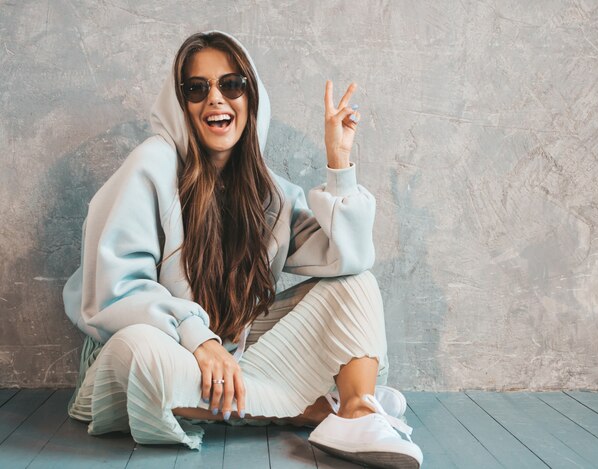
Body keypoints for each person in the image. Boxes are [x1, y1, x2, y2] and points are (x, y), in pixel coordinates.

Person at [62, 30, 423, 468]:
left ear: (251, 97)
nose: (215, 99)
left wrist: (339, 165)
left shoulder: (266, 192)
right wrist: (199, 340)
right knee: (141, 353)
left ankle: (356, 411)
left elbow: (344, 258)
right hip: (152, 354)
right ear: (180, 104)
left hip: (233, 360)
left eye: (231, 84)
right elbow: (115, 293)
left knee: (356, 284)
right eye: (197, 89)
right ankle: (311, 408)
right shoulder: (151, 165)